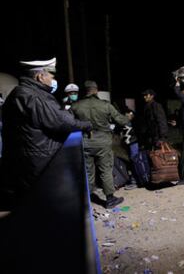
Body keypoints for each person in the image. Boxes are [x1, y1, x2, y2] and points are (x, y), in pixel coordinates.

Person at [1, 58, 92, 195]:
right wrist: (87, 125)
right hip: (42, 159)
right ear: (40, 76)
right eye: (51, 76)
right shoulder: (36, 96)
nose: (53, 79)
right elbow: (63, 122)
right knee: (48, 200)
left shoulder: (17, 93)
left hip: (25, 159)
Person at [71, 80, 131, 208]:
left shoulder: (76, 106)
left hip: (86, 140)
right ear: (96, 90)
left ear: (84, 91)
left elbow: (68, 123)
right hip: (103, 141)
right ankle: (110, 198)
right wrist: (129, 118)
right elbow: (121, 120)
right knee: (105, 169)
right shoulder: (105, 105)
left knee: (88, 170)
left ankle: (87, 199)